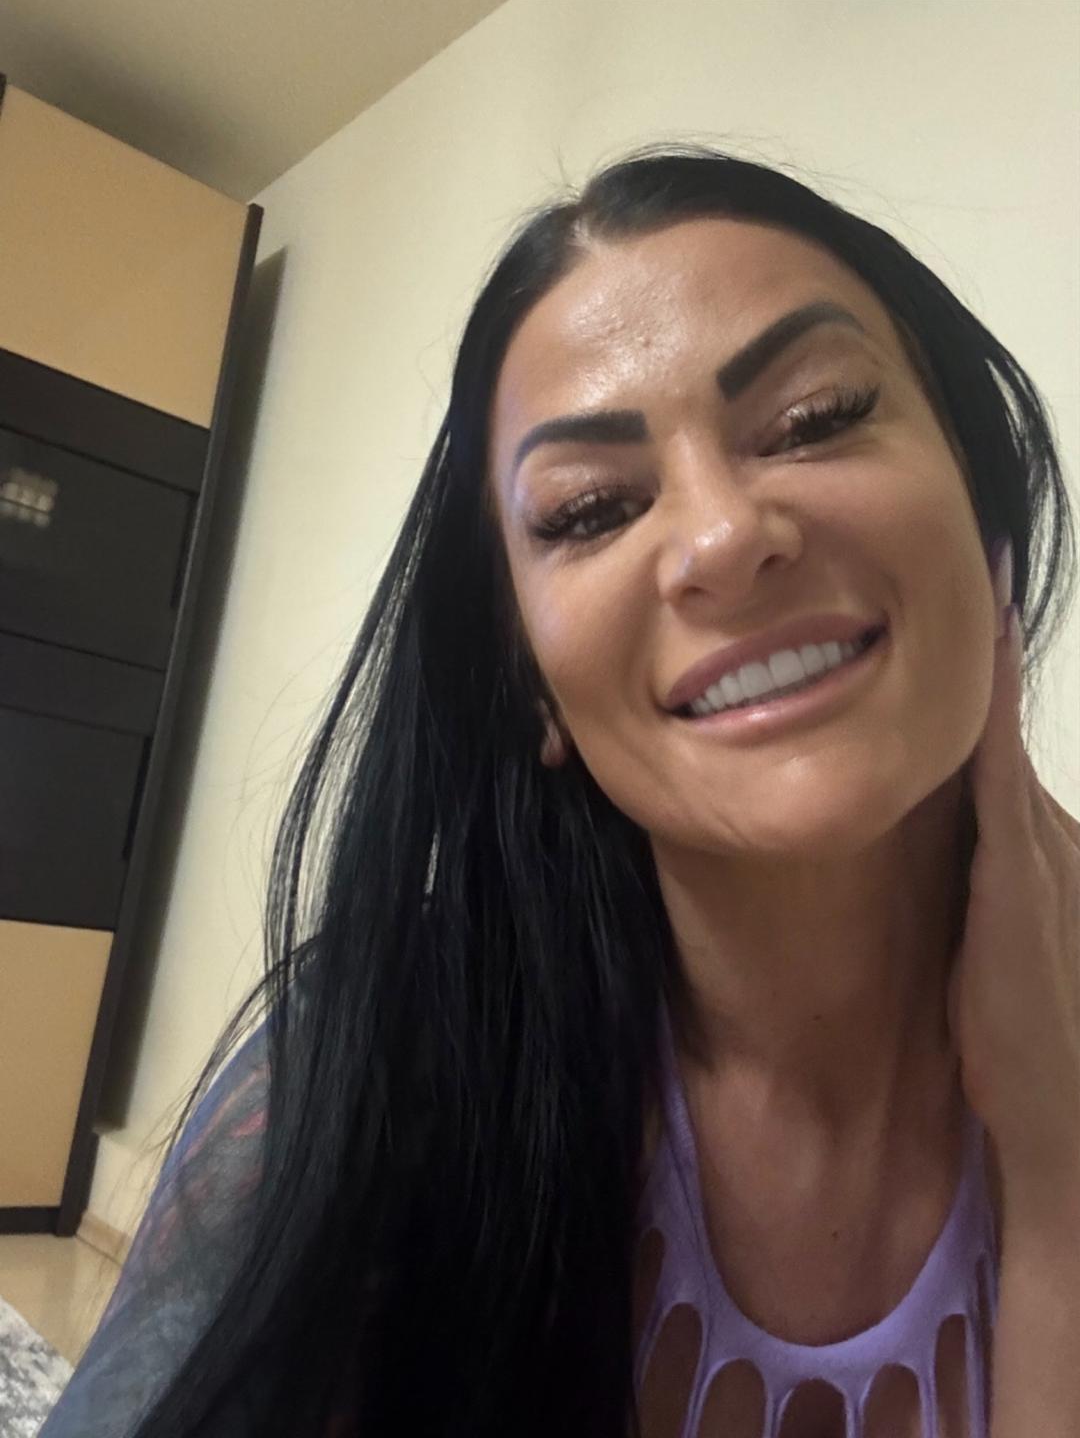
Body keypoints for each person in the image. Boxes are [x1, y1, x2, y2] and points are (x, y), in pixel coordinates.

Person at [39, 144, 1080, 1438]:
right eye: (590, 511)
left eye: (816, 418)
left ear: (982, 506)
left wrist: (1058, 1179)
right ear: (531, 687)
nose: (721, 538)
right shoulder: (359, 1075)